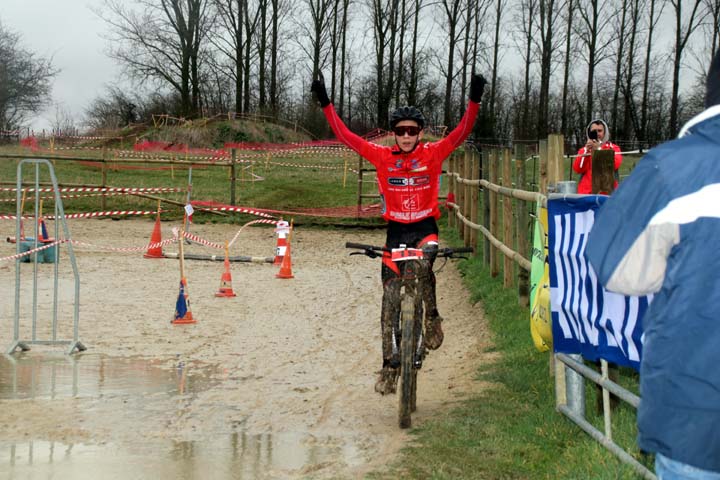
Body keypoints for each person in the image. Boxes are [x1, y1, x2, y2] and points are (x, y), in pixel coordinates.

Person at [585, 51, 720, 479]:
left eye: (600, 130)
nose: (596, 133)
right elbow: (578, 167)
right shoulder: (588, 152)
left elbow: (613, 264)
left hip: (696, 419)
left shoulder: (671, 167)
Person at [311, 72, 485, 394]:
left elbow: (461, 133)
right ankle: (390, 365)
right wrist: (325, 103)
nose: (406, 136)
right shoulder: (381, 156)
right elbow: (346, 136)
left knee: (423, 268)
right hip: (395, 234)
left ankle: (431, 316)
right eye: (401, 131)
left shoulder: (432, 154)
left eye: (412, 131)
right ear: (394, 133)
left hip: (424, 230)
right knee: (389, 298)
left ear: (419, 133)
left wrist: (473, 100)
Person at [572, 119, 623, 194]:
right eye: (594, 131)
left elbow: (613, 165)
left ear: (605, 132)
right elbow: (577, 169)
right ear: (589, 133)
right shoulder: (584, 150)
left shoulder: (614, 148)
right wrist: (586, 151)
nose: (597, 133)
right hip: (586, 194)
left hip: (606, 195)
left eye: (600, 131)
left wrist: (598, 150)